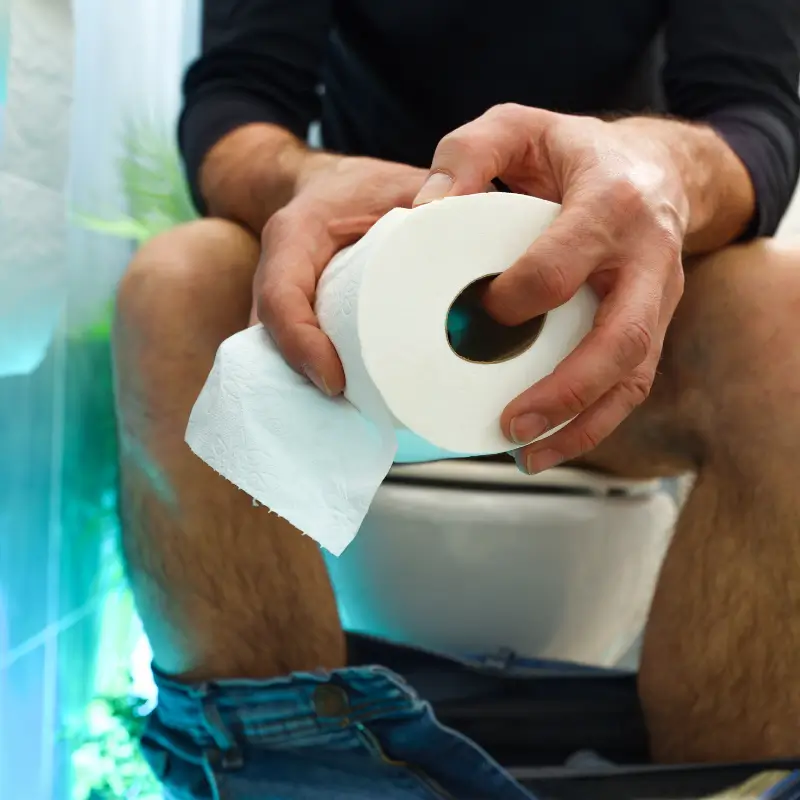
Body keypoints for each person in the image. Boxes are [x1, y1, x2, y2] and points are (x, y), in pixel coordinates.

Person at [113, 0, 800, 796]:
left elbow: (754, 114)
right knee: (177, 284)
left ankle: (734, 784)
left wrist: (653, 168)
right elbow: (237, 96)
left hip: (588, 320)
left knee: (782, 316)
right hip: (347, 327)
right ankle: (289, 781)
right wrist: (312, 176)